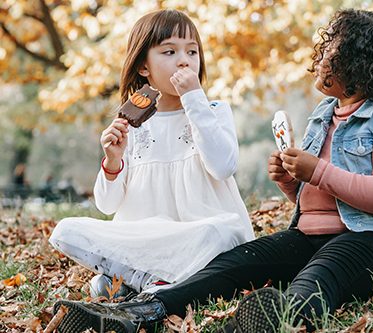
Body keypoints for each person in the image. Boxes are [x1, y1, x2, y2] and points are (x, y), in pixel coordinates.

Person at [53, 8, 373, 333]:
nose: (319, 57)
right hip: (310, 236)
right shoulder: (325, 115)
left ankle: (280, 314)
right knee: (229, 268)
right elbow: (325, 200)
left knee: (319, 279)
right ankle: (136, 313)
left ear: (360, 61)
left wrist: (316, 171)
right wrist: (292, 184)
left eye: (330, 51)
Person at [49, 8, 254, 308]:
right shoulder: (133, 124)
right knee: (66, 230)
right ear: (144, 67)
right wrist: (113, 162)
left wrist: (193, 98)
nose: (184, 60)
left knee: (219, 234)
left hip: (198, 236)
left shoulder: (213, 112)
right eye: (169, 51)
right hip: (145, 238)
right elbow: (107, 205)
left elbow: (223, 166)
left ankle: (131, 281)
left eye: (192, 51)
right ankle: (151, 281)